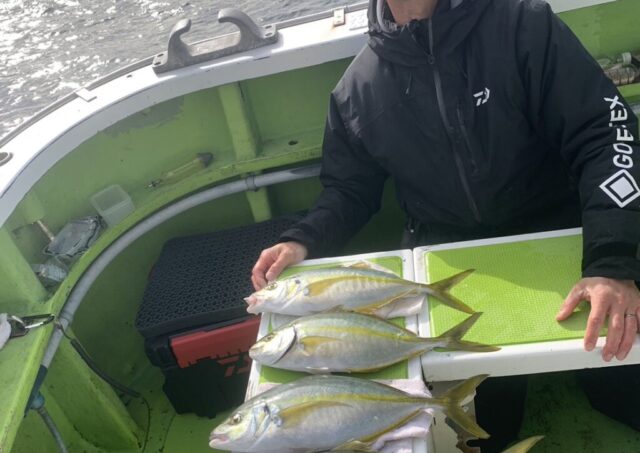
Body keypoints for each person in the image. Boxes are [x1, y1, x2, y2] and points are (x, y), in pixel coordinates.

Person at [251, 0, 640, 450]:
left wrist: (611, 261)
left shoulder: (523, 25)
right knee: (487, 427)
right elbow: (349, 190)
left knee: (621, 377)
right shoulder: (358, 88)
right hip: (448, 256)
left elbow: (605, 134)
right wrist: (303, 239)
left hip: (562, 230)